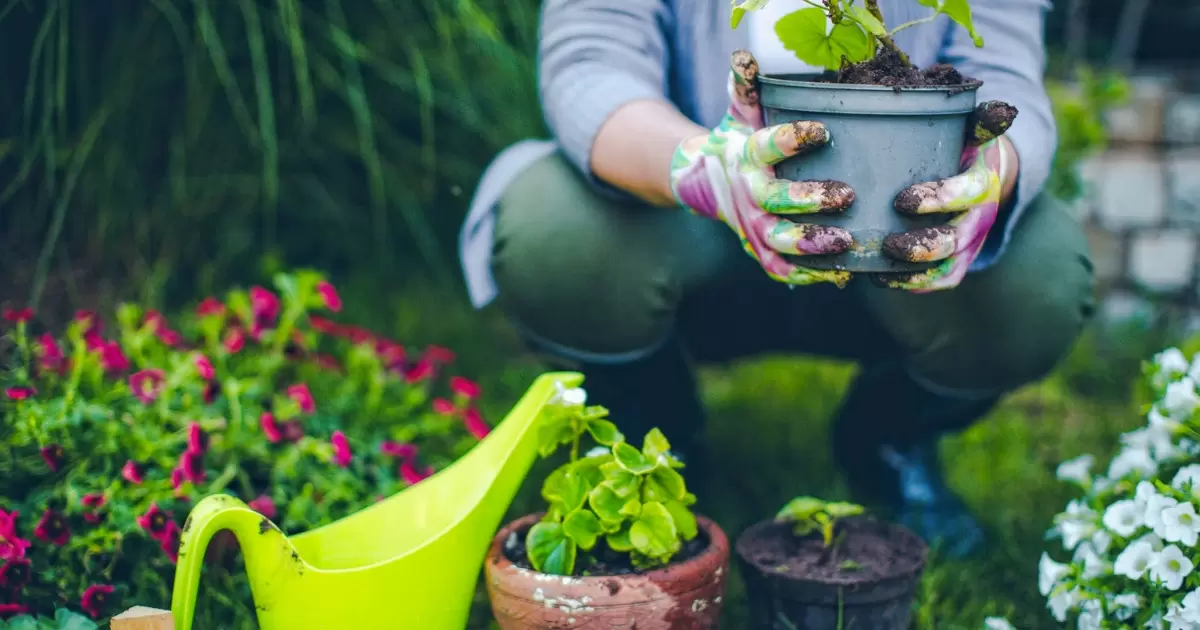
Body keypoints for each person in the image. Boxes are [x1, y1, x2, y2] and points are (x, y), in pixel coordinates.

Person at [457, 0, 1095, 557]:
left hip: (893, 221)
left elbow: (1007, 71)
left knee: (1036, 278)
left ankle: (890, 436)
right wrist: (706, 170)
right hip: (683, 218)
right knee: (555, 231)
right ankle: (653, 423)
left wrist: (992, 169)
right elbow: (590, 65)